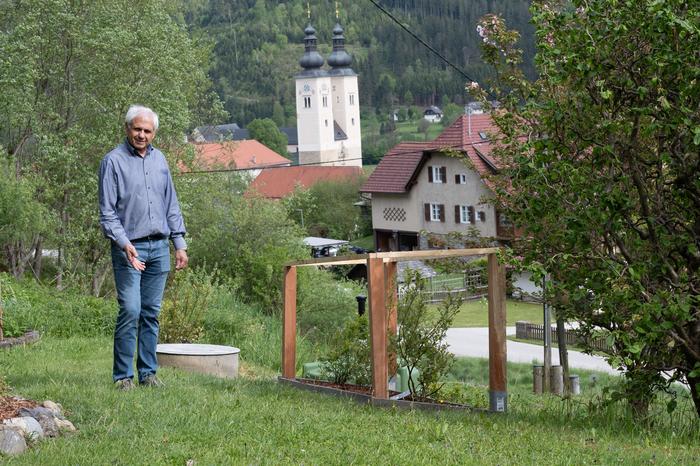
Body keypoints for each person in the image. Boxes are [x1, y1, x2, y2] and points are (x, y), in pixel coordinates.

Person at [98, 105, 188, 390]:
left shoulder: (160, 160)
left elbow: (171, 204)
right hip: (129, 248)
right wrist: (124, 243)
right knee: (131, 310)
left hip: (159, 247)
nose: (142, 134)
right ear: (127, 128)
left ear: (154, 133)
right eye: (137, 129)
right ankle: (123, 377)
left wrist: (179, 244)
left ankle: (148, 374)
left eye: (147, 130)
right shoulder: (112, 162)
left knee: (151, 311)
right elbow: (107, 213)